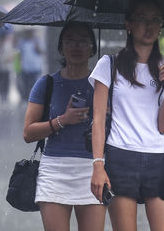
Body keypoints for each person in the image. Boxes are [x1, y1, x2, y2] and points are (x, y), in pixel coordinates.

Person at [90, 0, 164, 231]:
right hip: (121, 156)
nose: (149, 26)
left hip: (159, 158)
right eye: (142, 19)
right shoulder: (109, 65)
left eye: (155, 20)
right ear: (128, 24)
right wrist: (98, 165)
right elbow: (99, 120)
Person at [23, 22, 106, 231]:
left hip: (93, 169)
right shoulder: (47, 84)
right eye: (70, 41)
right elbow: (28, 133)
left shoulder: (102, 85)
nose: (76, 47)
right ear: (61, 47)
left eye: (83, 41)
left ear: (92, 48)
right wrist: (63, 120)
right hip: (54, 170)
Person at [17, 29, 44, 101]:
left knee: (34, 84)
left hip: (35, 66)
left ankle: (33, 98)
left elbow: (42, 52)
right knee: (26, 84)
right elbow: (19, 54)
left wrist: (36, 46)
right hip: (25, 67)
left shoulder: (37, 41)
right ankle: (26, 98)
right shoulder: (22, 42)